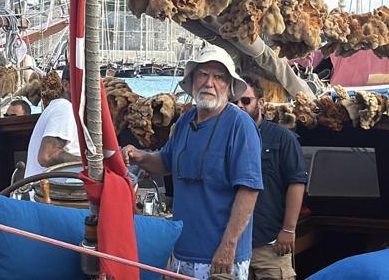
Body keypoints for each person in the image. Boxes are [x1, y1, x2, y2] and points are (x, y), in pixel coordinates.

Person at [122, 45, 263, 280]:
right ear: (193, 80)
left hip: (220, 257)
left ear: (229, 87)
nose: (209, 83)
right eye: (203, 74)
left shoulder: (241, 125)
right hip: (182, 251)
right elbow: (166, 162)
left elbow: (248, 190)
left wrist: (228, 246)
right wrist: (140, 156)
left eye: (219, 77)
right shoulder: (185, 121)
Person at [235, 77, 307, 280]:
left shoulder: (283, 138)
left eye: (245, 100)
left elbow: (296, 182)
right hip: (233, 244)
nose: (239, 106)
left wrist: (288, 229)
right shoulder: (225, 139)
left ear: (261, 103)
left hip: (270, 243)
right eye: (233, 102)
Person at [23, 66, 81, 178]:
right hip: (46, 188)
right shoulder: (64, 109)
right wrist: (88, 163)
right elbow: (47, 156)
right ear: (66, 85)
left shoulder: (58, 107)